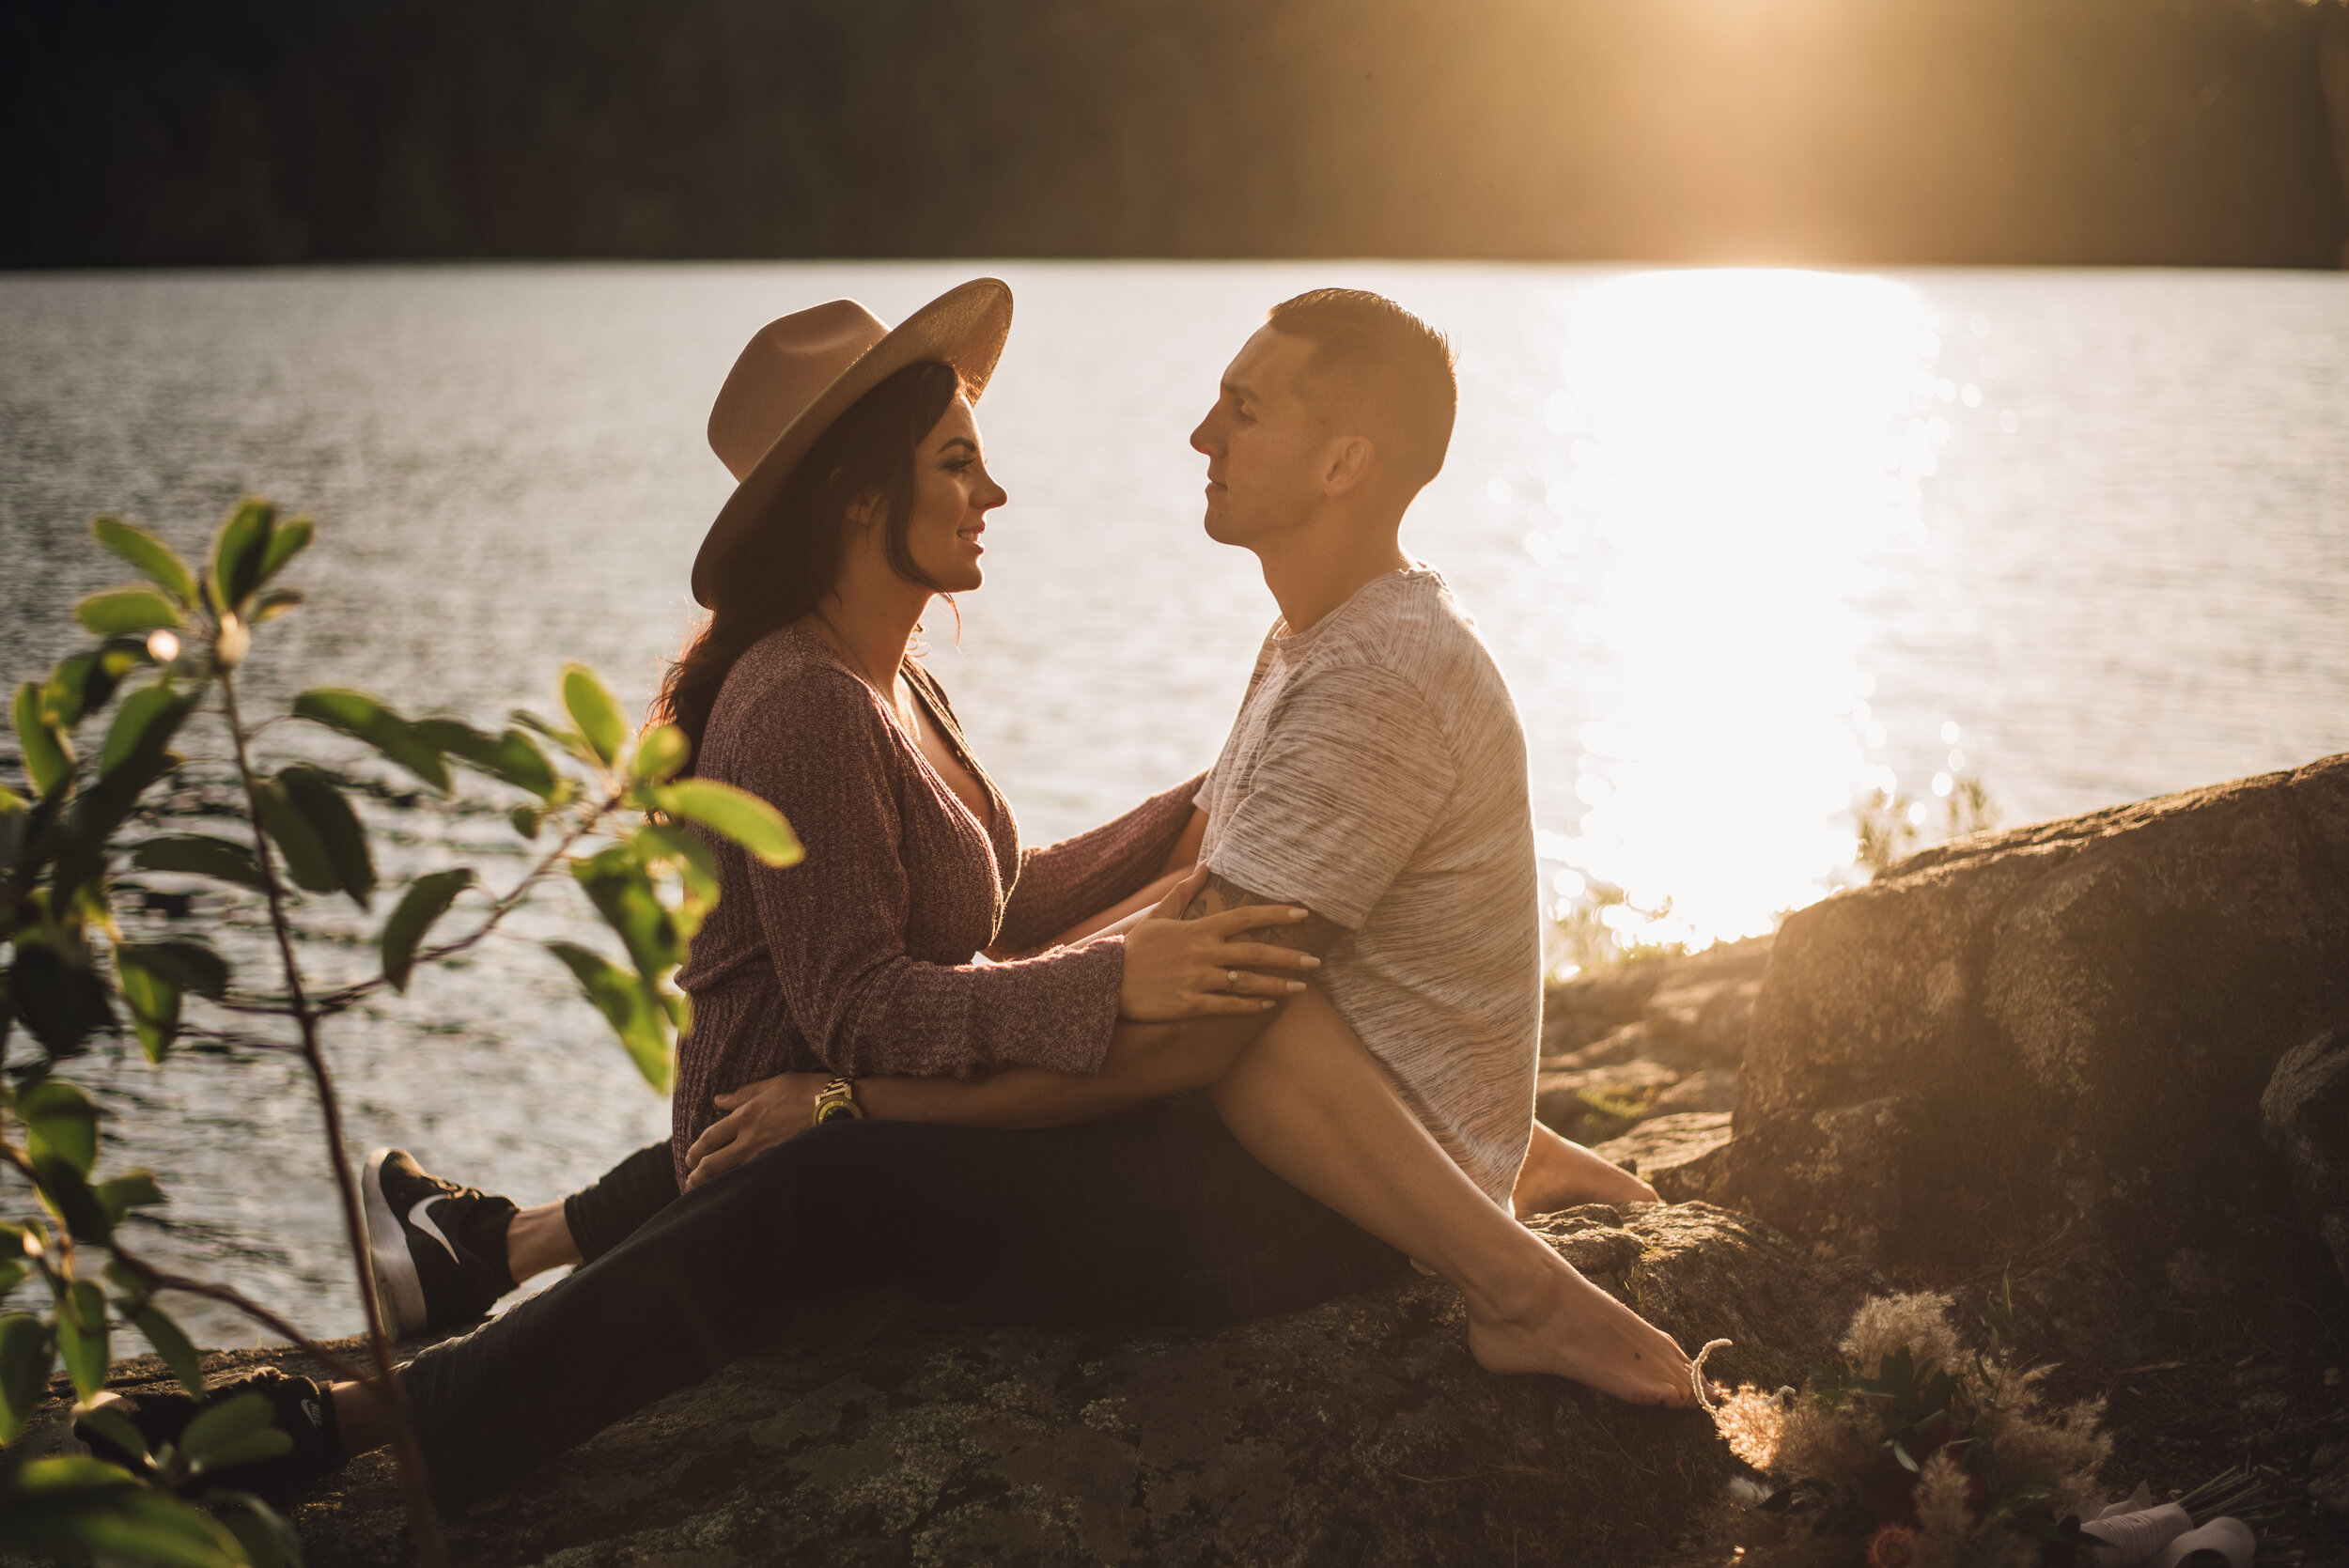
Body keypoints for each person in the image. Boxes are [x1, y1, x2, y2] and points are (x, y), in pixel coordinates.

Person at [82, 281, 1706, 1511]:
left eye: (1239, 411)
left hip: (1292, 1190)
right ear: (863, 495)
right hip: (1004, 1113)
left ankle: (416, 1358)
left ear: (1346, 459)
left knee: (851, 1157)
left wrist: (1176, 874)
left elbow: (1073, 940)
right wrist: (968, 1045)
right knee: (826, 1168)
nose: (1187, 439)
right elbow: (959, 999)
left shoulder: (1307, 664)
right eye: (960, 460)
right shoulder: (816, 695)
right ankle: (391, 1402)